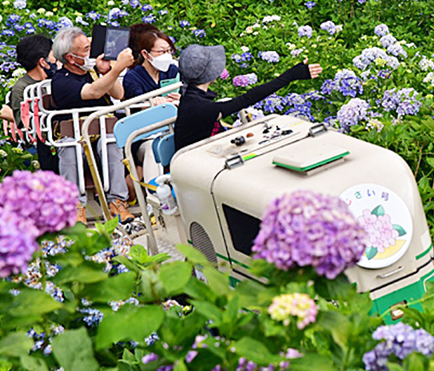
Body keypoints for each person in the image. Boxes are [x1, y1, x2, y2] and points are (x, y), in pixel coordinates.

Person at [51, 26, 135, 225]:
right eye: (86, 50)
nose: (91, 53)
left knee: (112, 143)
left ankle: (117, 202)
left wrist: (105, 71)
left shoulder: (94, 72)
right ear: (70, 58)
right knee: (70, 150)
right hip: (74, 135)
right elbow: (93, 92)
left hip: (103, 131)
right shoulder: (60, 81)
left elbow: (118, 93)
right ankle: (75, 207)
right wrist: (117, 69)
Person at [174, 45, 322, 152]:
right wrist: (290, 76)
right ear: (211, 74)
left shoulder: (191, 97)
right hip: (191, 165)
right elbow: (247, 99)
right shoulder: (199, 107)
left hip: (199, 154)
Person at [123, 24, 180, 182]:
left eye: (169, 51)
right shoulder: (133, 77)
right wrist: (152, 102)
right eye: (161, 52)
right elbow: (139, 104)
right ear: (146, 54)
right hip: (144, 137)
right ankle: (154, 198)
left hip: (173, 130)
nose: (166, 55)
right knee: (153, 149)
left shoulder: (172, 71)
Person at [4, 34, 60, 173]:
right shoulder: (22, 88)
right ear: (43, 62)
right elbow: (25, 126)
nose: (57, 60)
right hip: (41, 145)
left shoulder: (58, 78)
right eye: (54, 56)